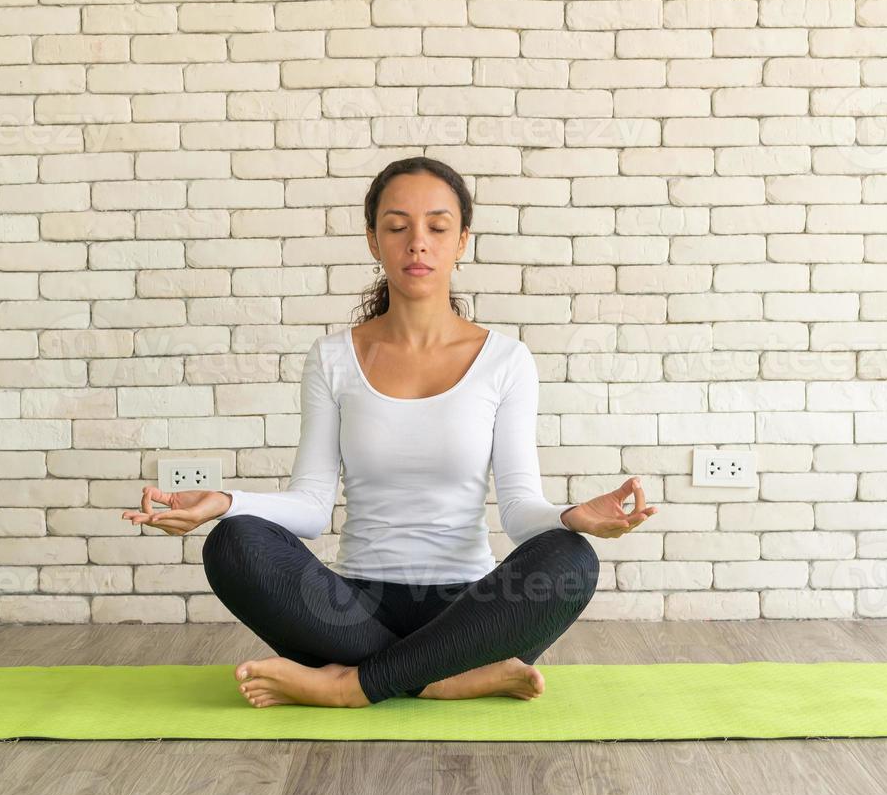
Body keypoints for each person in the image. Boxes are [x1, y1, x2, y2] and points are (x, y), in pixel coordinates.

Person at [123, 156, 656, 708]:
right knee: (233, 541)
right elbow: (309, 506)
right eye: (398, 228)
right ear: (375, 242)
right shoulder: (333, 358)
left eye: (437, 227)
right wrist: (224, 502)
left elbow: (521, 511)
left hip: (469, 608)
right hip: (352, 608)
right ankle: (442, 677)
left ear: (462, 241)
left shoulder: (506, 361)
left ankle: (355, 685)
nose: (417, 243)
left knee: (571, 560)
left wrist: (574, 517)